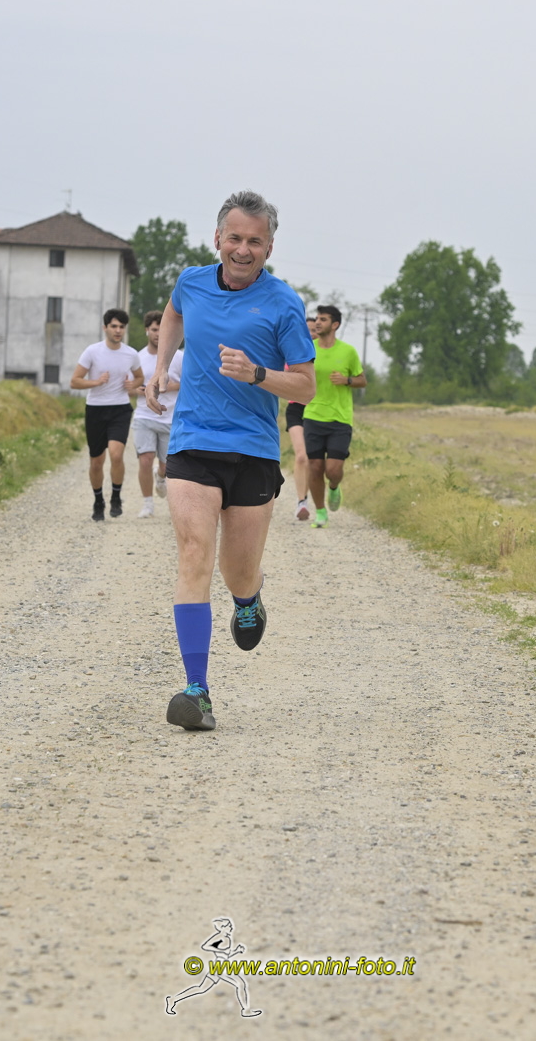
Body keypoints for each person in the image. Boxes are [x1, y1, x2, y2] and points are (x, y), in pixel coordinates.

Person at [145, 190, 315, 732]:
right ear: (217, 238)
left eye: (255, 242)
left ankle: (249, 598)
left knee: (236, 571)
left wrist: (258, 374)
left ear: (269, 247)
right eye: (235, 238)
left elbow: (306, 387)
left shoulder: (283, 303)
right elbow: (174, 312)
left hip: (253, 450)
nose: (243, 249)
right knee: (194, 553)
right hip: (193, 440)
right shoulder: (191, 281)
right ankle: (196, 691)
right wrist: (161, 366)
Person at [70, 309, 144, 521]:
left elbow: (140, 377)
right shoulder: (92, 352)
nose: (118, 330)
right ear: (105, 328)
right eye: (114, 326)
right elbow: (74, 381)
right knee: (96, 461)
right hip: (96, 409)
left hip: (120, 409)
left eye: (121, 327)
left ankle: (116, 497)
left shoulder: (131, 354)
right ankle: (98, 500)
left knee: (116, 454)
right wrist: (96, 382)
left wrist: (133, 385)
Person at [302, 304, 366, 528]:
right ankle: (320, 512)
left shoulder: (348, 352)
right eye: (317, 319)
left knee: (333, 470)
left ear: (335, 324)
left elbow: (362, 380)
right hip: (313, 414)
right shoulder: (308, 348)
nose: (318, 323)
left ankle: (334, 487)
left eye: (324, 319)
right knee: (315, 466)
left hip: (340, 418)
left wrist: (347, 380)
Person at [133, 310, 184, 518]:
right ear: (147, 330)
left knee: (166, 465)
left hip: (170, 417)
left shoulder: (180, 357)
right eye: (154, 330)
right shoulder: (138, 357)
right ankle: (148, 505)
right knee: (145, 459)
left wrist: (168, 386)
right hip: (144, 416)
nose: (158, 334)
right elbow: (129, 384)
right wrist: (138, 389)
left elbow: (190, 383)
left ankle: (161, 477)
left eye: (161, 329)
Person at [285, 312, 320, 521]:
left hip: (320, 411)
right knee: (301, 456)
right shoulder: (293, 352)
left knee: (316, 461)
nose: (311, 334)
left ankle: (322, 497)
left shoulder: (324, 354)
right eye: (307, 330)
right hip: (297, 408)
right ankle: (301, 502)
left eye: (314, 330)